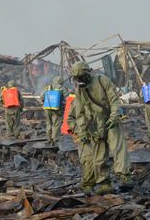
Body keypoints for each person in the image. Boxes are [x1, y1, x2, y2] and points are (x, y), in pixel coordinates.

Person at [67, 61, 130, 195]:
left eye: (82, 77)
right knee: (99, 155)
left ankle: (124, 176)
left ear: (88, 73)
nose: (80, 80)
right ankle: (104, 183)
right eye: (77, 78)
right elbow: (80, 114)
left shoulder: (102, 80)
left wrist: (114, 116)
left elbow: (114, 101)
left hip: (109, 120)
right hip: (94, 125)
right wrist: (82, 131)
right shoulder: (79, 91)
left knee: (118, 148)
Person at [41, 76, 68, 145]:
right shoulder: (62, 88)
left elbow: (42, 97)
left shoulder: (48, 87)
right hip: (57, 109)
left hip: (47, 108)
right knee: (56, 124)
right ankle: (55, 140)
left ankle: (49, 138)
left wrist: (44, 102)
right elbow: (67, 99)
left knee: (48, 123)